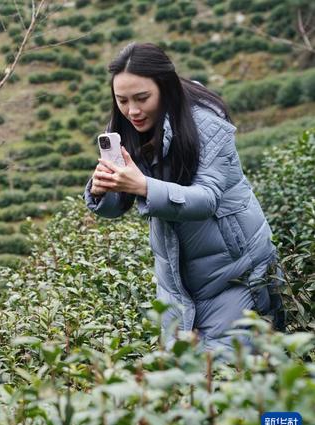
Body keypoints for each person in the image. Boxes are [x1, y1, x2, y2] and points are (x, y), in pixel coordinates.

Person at [85, 43, 281, 350]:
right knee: (186, 379)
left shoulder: (206, 123)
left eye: (142, 98)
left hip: (236, 272)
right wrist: (102, 190)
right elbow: (115, 207)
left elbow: (207, 199)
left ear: (165, 88)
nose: (132, 110)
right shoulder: (127, 127)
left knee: (229, 376)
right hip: (176, 283)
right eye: (121, 100)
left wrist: (143, 187)